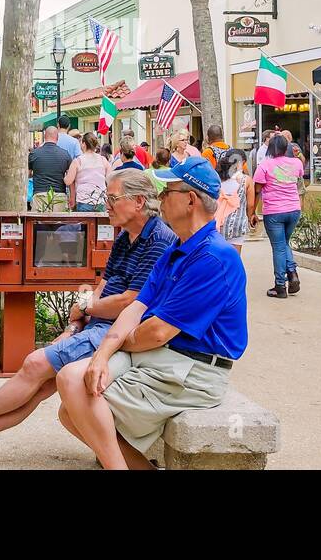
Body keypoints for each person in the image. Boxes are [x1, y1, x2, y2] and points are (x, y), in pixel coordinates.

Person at [0, 168, 172, 467]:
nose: (106, 205)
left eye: (112, 198)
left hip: (119, 333)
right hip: (98, 324)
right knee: (40, 385)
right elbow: (102, 285)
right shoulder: (127, 235)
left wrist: (85, 309)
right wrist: (74, 324)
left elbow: (129, 302)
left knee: (36, 364)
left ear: (139, 201)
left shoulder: (158, 240)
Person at [54, 155, 247, 470]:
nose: (160, 198)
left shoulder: (214, 258)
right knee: (71, 396)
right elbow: (136, 307)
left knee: (77, 405)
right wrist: (103, 354)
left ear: (190, 200)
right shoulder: (177, 248)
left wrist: (118, 341)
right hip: (160, 356)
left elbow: (158, 331)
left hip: (193, 369)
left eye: (167, 191)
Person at [253, 134, 303, 298]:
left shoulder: (264, 165)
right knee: (284, 243)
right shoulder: (296, 163)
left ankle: (280, 286)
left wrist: (251, 212)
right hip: (294, 210)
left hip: (274, 211)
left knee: (279, 247)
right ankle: (292, 273)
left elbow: (257, 191)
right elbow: (299, 176)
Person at [214, 149, 254, 253]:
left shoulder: (216, 179)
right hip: (238, 223)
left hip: (218, 222)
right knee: (235, 257)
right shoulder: (246, 180)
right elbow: (250, 205)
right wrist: (250, 217)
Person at [28, 125, 72, 212]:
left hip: (39, 195)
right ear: (57, 137)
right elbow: (70, 180)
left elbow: (28, 174)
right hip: (59, 195)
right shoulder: (65, 154)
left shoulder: (34, 153)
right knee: (58, 224)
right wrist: (72, 197)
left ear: (44, 136)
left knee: (38, 224)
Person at [66, 131, 109, 211]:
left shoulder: (78, 161)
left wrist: (65, 175)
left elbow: (68, 181)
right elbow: (110, 178)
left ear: (84, 144)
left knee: (85, 223)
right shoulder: (103, 160)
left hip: (84, 200)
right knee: (99, 223)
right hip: (100, 199)